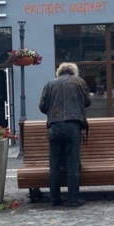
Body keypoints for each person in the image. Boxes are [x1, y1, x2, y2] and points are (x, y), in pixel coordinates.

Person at [39, 62, 91, 207]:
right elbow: (87, 102)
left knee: (54, 165)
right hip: (72, 125)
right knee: (72, 164)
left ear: (59, 72)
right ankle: (73, 199)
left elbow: (42, 106)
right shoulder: (79, 82)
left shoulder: (50, 84)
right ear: (73, 72)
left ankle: (54, 199)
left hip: (54, 126)